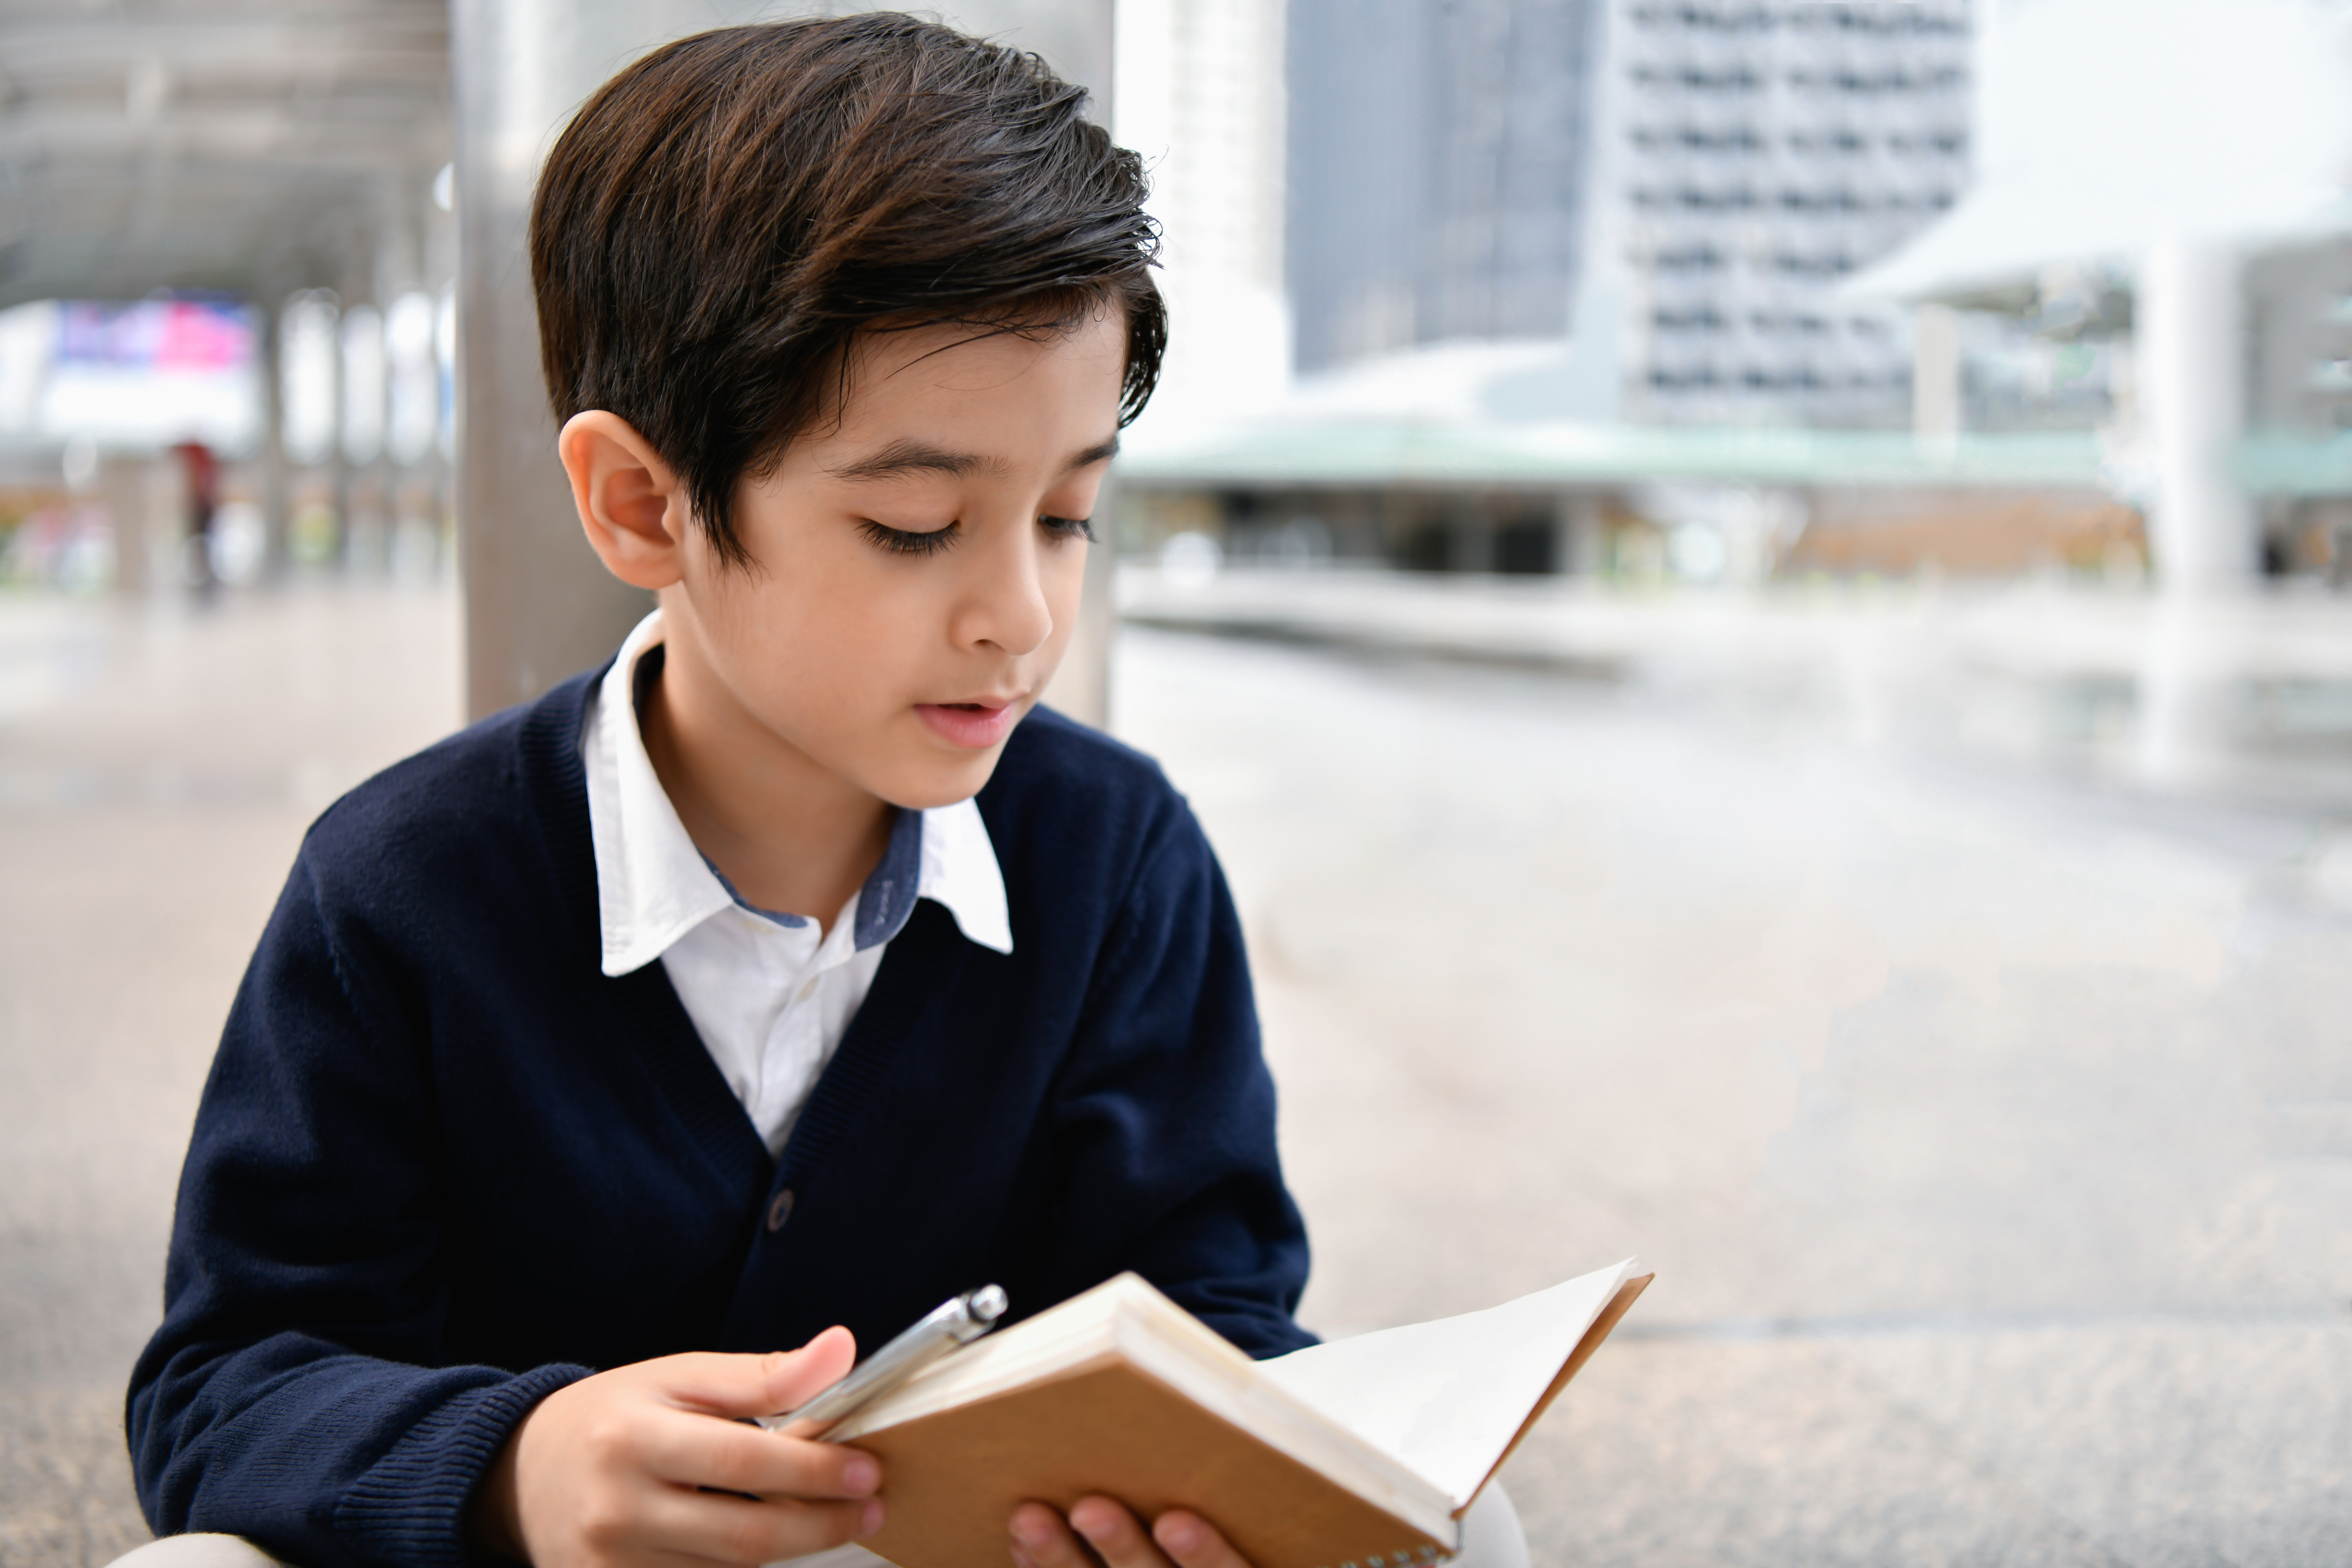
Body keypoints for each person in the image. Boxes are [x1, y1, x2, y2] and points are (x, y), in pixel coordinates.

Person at [122, 16, 1526, 1568]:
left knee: (1470, 1527)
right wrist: (520, 1463)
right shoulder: (402, 890)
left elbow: (1212, 1306)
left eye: (1067, 515)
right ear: (644, 503)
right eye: (919, 524)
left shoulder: (1116, 858)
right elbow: (228, 1389)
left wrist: (1236, 1464)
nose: (1022, 616)